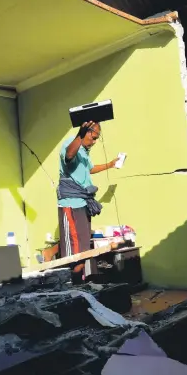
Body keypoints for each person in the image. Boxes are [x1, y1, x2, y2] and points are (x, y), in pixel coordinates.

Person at [57, 121, 118, 284]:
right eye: (94, 137)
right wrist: (79, 133)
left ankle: (80, 284)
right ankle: (74, 285)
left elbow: (89, 168)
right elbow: (69, 156)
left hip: (83, 203)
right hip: (70, 204)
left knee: (83, 249)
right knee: (75, 252)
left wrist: (110, 165)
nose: (95, 142)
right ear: (86, 132)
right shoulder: (70, 144)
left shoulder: (84, 151)